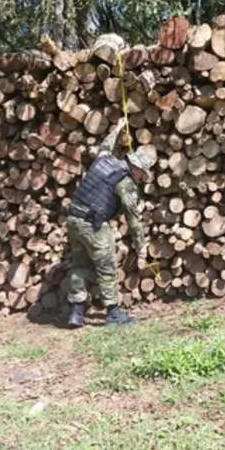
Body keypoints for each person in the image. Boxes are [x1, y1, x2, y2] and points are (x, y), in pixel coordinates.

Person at [65, 117, 154, 328]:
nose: (142, 179)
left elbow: (106, 144)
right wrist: (141, 247)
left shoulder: (105, 158)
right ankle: (113, 313)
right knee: (107, 266)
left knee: (80, 265)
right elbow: (133, 219)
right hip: (93, 224)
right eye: (143, 175)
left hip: (73, 219)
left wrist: (118, 128)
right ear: (138, 169)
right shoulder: (125, 183)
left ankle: (76, 313)